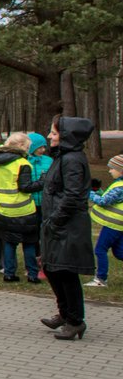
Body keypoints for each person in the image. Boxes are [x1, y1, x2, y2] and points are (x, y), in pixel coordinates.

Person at [38, 116, 95, 340]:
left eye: (54, 132)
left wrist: (56, 220)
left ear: (66, 135)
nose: (50, 136)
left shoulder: (72, 160)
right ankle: (64, 313)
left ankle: (75, 320)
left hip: (66, 225)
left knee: (65, 271)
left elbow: (72, 195)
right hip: (56, 223)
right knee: (52, 269)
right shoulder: (62, 157)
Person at [0, 132, 43, 283]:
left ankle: (9, 273)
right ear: (22, 146)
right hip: (23, 209)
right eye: (28, 147)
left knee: (9, 242)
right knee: (29, 242)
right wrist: (42, 181)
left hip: (3, 208)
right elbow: (25, 187)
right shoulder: (22, 164)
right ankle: (32, 274)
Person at [86, 154, 123, 288]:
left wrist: (88, 193)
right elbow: (110, 197)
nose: (109, 171)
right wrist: (99, 191)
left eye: (112, 168)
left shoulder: (119, 186)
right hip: (118, 225)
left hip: (113, 224)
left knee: (100, 249)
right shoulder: (119, 185)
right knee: (119, 252)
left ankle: (101, 279)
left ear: (120, 170)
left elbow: (104, 202)